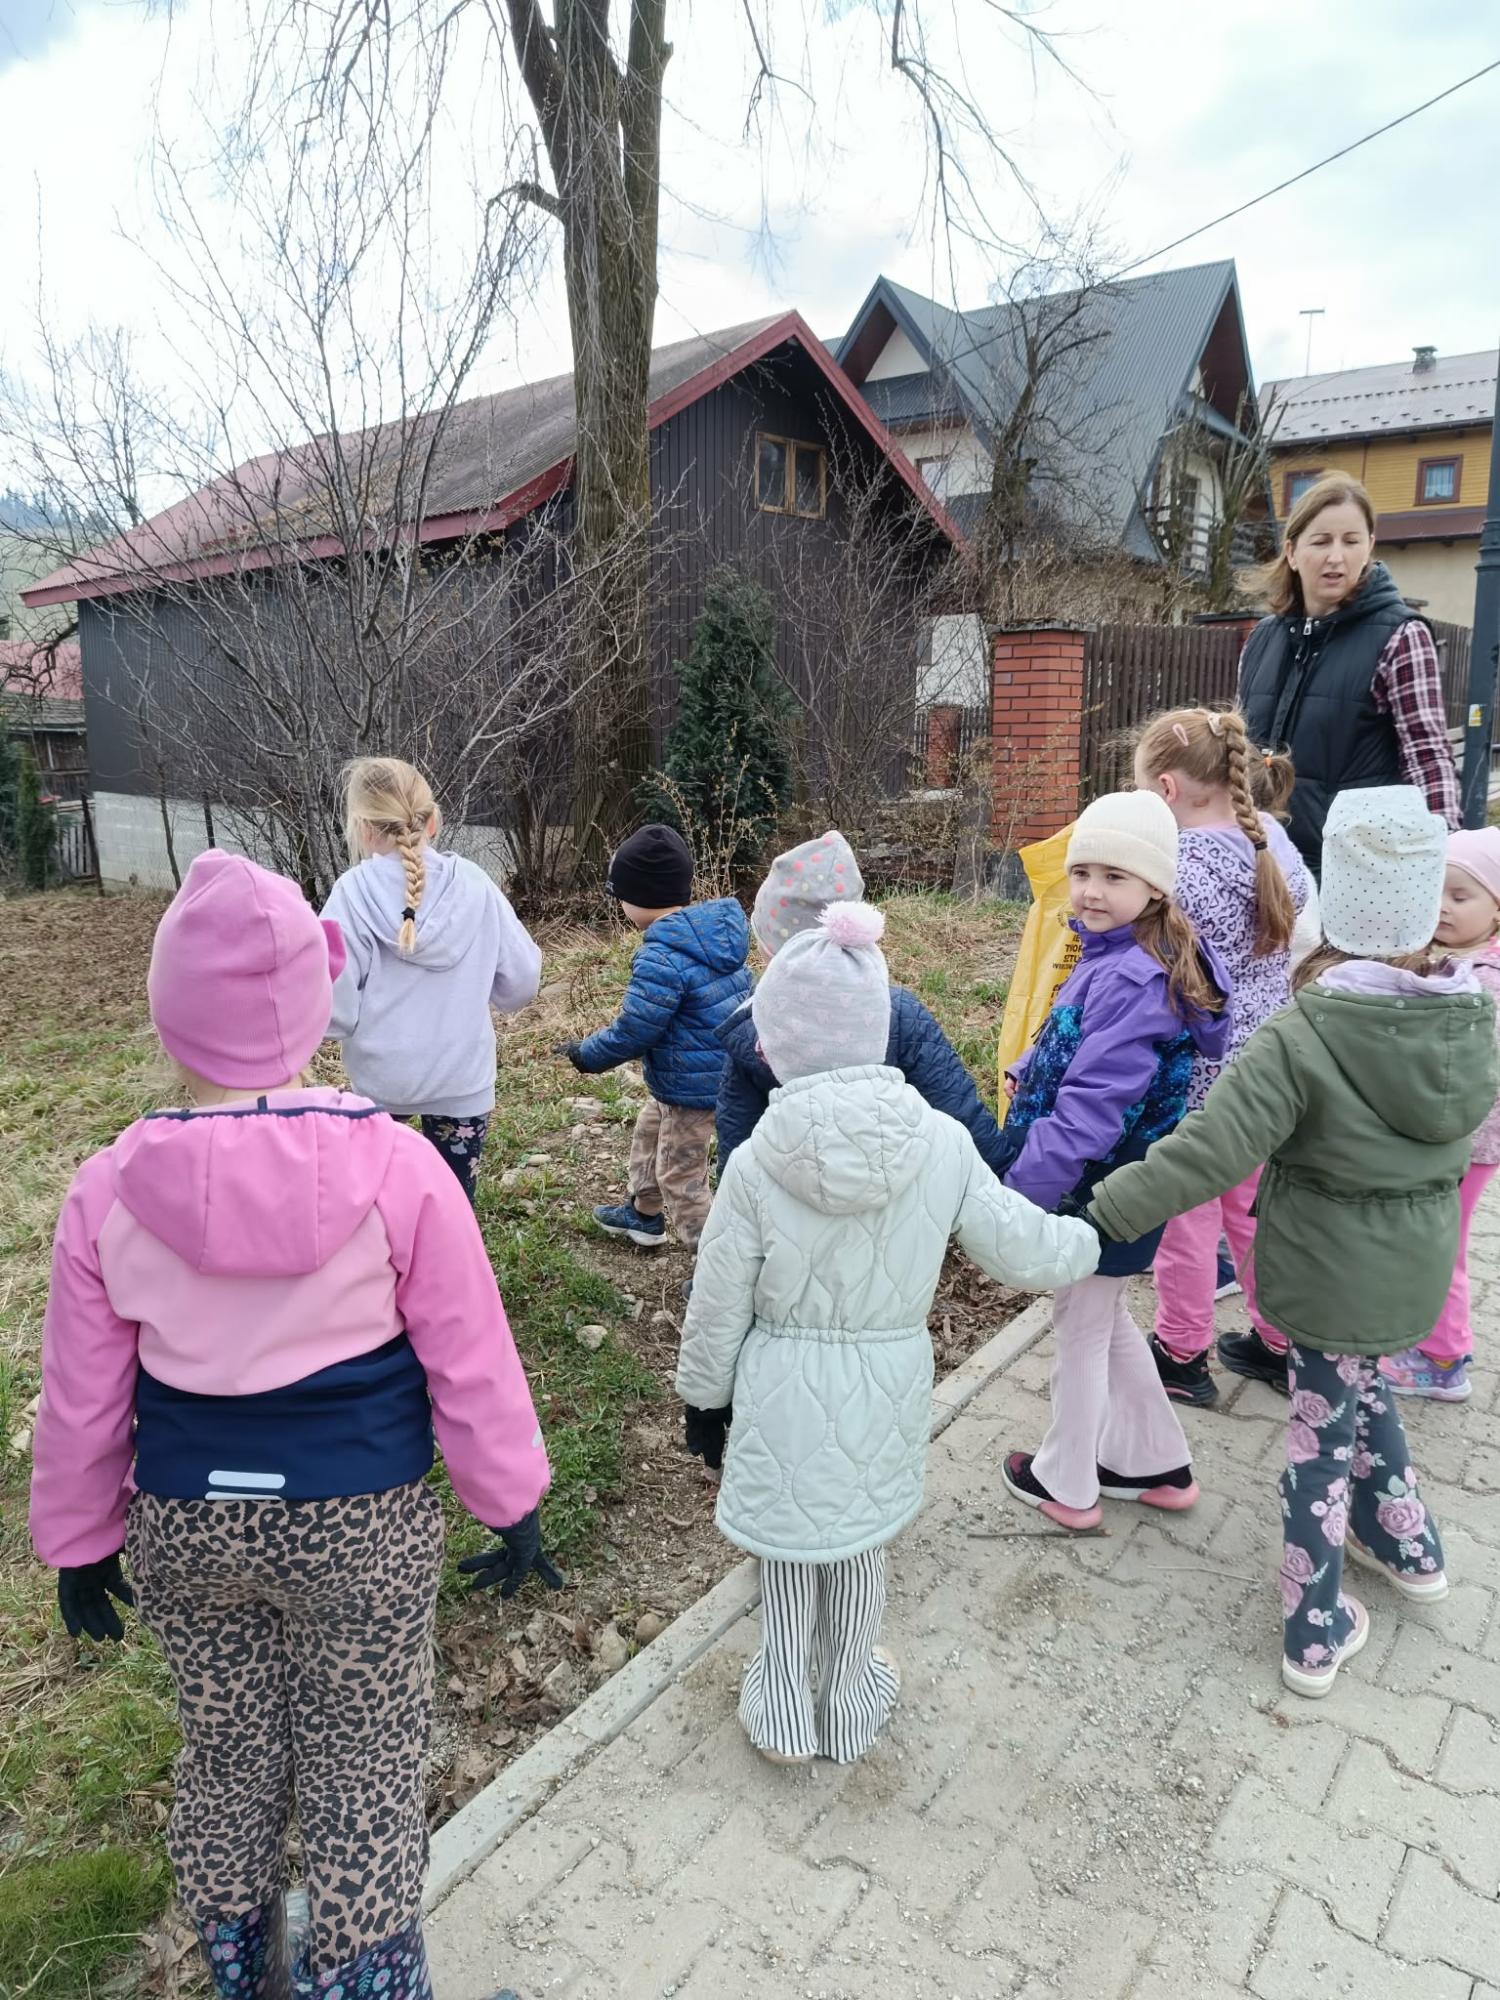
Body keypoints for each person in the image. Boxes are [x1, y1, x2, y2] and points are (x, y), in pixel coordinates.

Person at [31, 852, 560, 1997]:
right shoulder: (400, 1167)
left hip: (189, 1525)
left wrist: (78, 1539)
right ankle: (368, 1981)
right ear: (319, 1001)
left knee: (227, 1753)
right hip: (357, 1527)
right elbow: (470, 1355)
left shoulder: (106, 1188)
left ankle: (243, 1971)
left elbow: (81, 1394)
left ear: (170, 1012)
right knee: (361, 1763)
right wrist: (510, 1500)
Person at [1088, 789, 1496, 1697]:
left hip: (1324, 1272)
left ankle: (1312, 1628)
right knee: (1359, 1386)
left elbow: (1209, 1150)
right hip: (1410, 1268)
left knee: (1319, 1439)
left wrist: (1103, 1207)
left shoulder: (1307, 1032)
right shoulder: (1469, 1014)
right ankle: (1410, 1544)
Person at [675, 902, 1097, 1765]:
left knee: (789, 1552)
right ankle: (851, 1698)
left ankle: (782, 1705)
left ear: (774, 1044)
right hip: (890, 1378)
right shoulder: (941, 1143)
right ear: (876, 1030)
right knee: (861, 1543)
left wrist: (703, 1400)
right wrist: (1089, 1237)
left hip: (781, 1383)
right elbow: (1016, 1244)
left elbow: (717, 1298)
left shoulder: (754, 1161)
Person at [998, 791, 1231, 1532]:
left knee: (1080, 1323)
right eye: (1083, 872)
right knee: (1103, 1314)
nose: (1092, 891)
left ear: (1154, 887)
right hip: (1111, 1184)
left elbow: (1092, 1110)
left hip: (1101, 1187)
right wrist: (1031, 1067)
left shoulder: (1136, 979)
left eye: (1114, 876)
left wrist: (1020, 1194)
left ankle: (1066, 1481)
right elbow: (1073, 1038)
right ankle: (1155, 1462)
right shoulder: (1115, 954)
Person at [1132, 706, 1313, 1406]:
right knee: (1253, 1212)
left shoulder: (1182, 869)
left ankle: (1181, 1353)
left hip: (1199, 1076)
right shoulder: (1271, 841)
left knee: (1186, 1218)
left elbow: (1162, 973)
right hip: (1267, 1067)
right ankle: (1280, 1342)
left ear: (1168, 789)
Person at [716, 829, 1014, 1174]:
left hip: (790, 1193)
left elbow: (737, 1138)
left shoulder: (754, 1023)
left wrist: (733, 1195)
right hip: (898, 1188)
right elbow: (960, 1116)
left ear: (771, 949)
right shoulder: (898, 1012)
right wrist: (1008, 1180)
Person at [322, 756, 542, 1205]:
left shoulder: (352, 893)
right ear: (433, 821)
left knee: (383, 1208)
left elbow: (333, 1010)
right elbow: (522, 982)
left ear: (363, 829)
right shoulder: (477, 885)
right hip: (462, 1081)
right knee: (453, 1208)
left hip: (382, 1085)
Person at [1239, 473, 1460, 880]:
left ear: (1369, 547)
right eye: (1321, 541)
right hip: (1263, 870)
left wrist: (1446, 864)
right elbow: (1240, 755)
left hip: (1355, 879)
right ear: (1292, 552)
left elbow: (1427, 757)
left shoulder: (1401, 636)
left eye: (1351, 541)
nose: (1336, 557)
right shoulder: (1262, 640)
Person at [560, 823, 750, 1250]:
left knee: (680, 1175)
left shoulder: (662, 956)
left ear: (639, 897)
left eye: (621, 895)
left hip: (694, 1090)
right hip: (699, 1076)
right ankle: (644, 1215)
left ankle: (716, 1262)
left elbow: (636, 1029)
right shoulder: (711, 938)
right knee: (649, 1133)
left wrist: (587, 1054)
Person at [1381, 827, 1500, 1401]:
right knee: (1430, 1236)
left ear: (1496, 908)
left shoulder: (1486, 980)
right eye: (1436, 891)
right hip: (1449, 1129)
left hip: (1469, 1136)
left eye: (1461, 895)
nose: (1444, 906)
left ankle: (1443, 1358)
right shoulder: (1453, 960)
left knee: (1440, 1241)